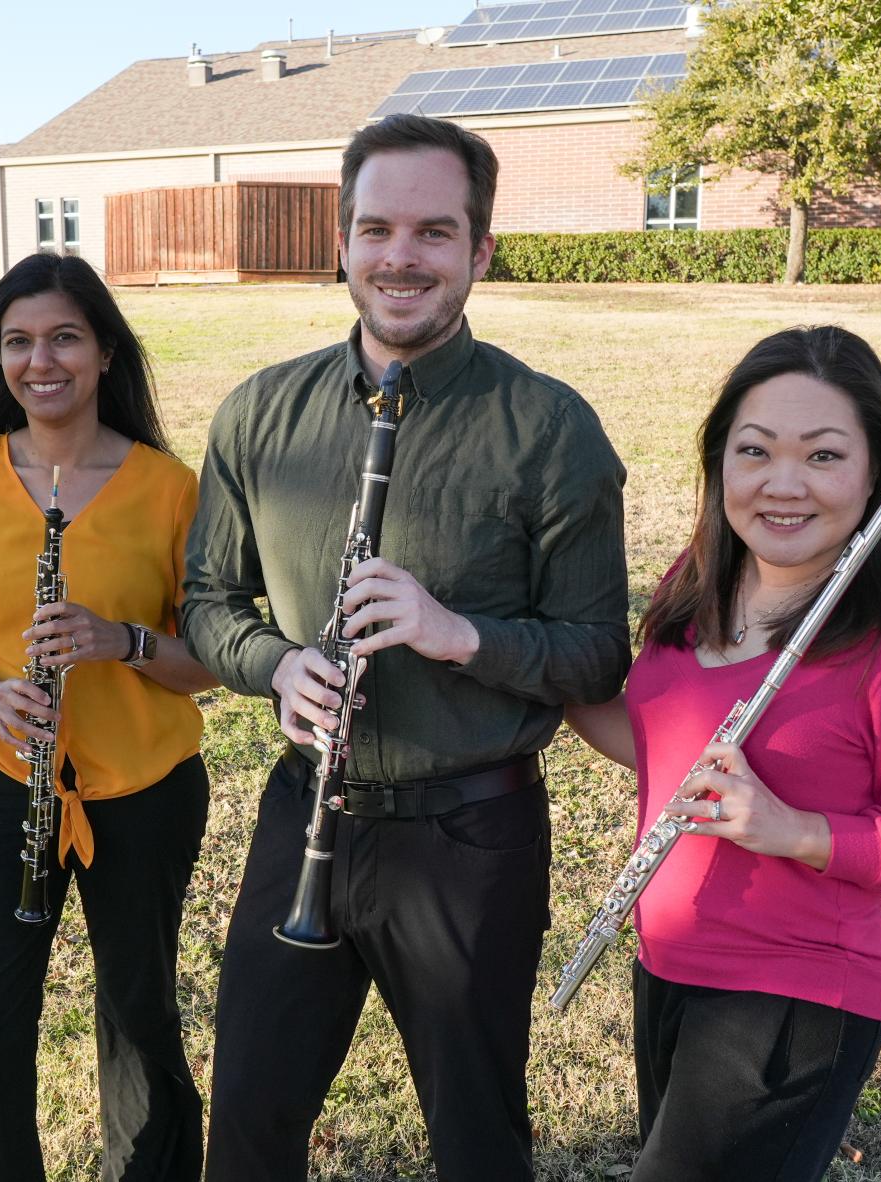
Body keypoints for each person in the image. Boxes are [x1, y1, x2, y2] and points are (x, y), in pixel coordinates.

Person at [181, 112, 630, 1181]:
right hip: (306, 812)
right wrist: (274, 664)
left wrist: (454, 633)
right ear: (342, 239)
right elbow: (206, 599)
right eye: (377, 227)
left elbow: (594, 656)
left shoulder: (550, 429)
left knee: (477, 1138)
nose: (400, 257)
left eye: (435, 232)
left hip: (471, 837)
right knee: (246, 1124)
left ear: (479, 250)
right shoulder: (260, 413)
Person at [566, 325, 881, 1182]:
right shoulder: (694, 584)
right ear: (719, 462)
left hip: (796, 994)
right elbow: (657, 748)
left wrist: (789, 827)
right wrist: (502, 657)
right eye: (755, 450)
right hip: (668, 962)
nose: (784, 484)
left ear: (876, 470)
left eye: (824, 455)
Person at [0, 252, 219, 1181]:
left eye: (64, 338)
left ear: (106, 352)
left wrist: (117, 641)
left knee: (139, 1020)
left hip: (145, 791)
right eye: (17, 341)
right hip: (7, 780)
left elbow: (208, 664)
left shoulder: (169, 487)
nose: (40, 361)